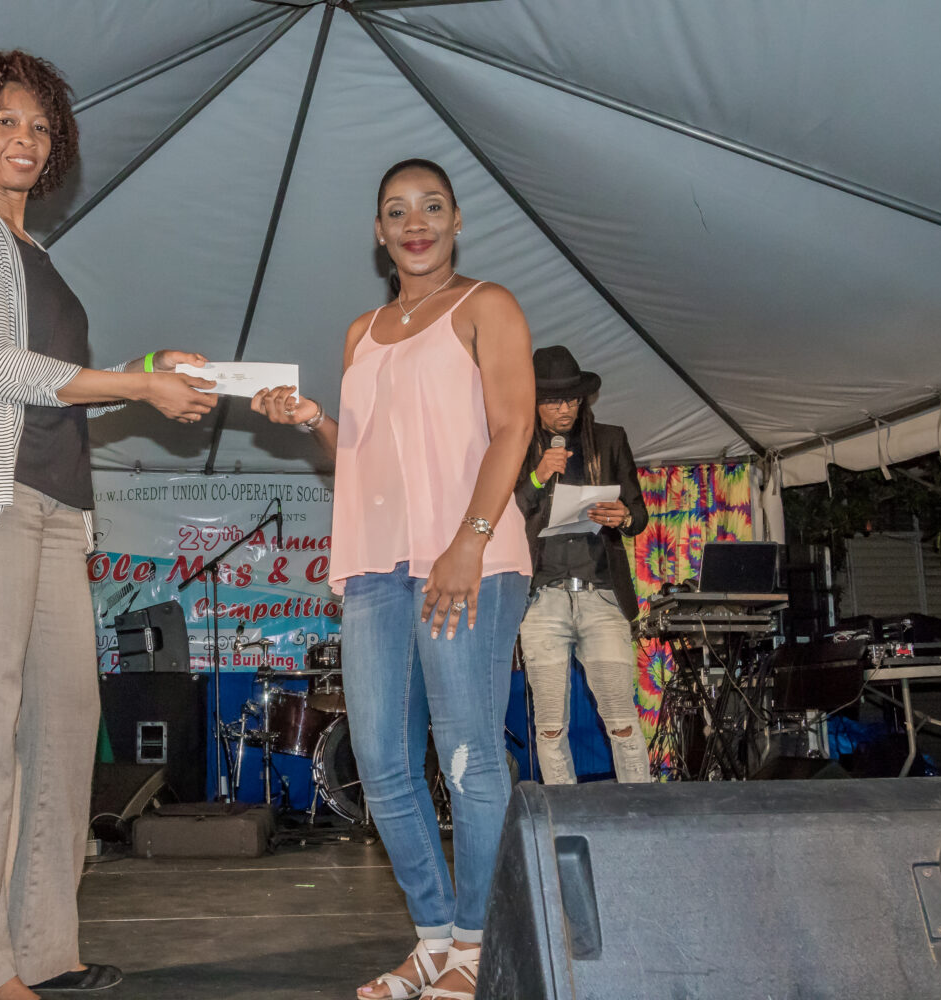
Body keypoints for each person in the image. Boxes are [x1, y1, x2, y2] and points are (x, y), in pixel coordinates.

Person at [0, 50, 218, 1000]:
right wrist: (139, 386)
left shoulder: (31, 251)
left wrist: (151, 370)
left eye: (40, 126)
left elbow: (59, 385)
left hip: (54, 504)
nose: (25, 139)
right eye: (5, 121)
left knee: (68, 723)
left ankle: (40, 952)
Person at [252, 159, 534, 1000]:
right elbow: (362, 454)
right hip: (378, 565)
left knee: (469, 754)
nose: (416, 223)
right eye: (397, 211)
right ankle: (436, 940)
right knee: (378, 763)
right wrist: (314, 420)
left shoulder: (486, 305)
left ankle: (481, 945)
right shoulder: (361, 332)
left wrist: (468, 541)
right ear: (379, 232)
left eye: (432, 207)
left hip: (467, 560)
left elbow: (513, 427)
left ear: (457, 221)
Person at [514, 347, 651, 784]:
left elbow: (639, 513)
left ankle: (642, 812)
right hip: (542, 600)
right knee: (550, 727)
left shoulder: (610, 440)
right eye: (554, 401)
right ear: (535, 402)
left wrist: (623, 517)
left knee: (622, 720)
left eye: (572, 399)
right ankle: (564, 814)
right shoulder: (517, 445)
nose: (565, 409)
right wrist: (537, 476)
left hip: (601, 596)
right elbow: (503, 513)